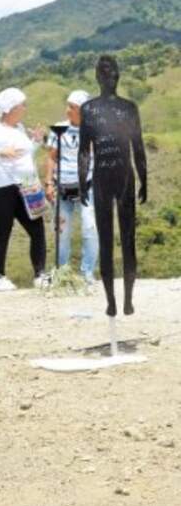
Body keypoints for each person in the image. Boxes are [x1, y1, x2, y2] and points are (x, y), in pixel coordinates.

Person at [79, 55, 147, 317]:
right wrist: (84, 181)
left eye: (114, 71)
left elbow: (138, 147)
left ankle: (128, 298)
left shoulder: (129, 108)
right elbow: (85, 151)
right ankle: (111, 300)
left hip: (125, 178)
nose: (111, 76)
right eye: (106, 72)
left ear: (119, 75)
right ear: (98, 77)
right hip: (102, 178)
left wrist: (144, 179)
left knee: (128, 239)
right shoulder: (89, 109)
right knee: (106, 241)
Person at [0, 87, 47, 291]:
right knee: (3, 231)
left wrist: (36, 141)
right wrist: (0, 153)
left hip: (28, 183)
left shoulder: (20, 128)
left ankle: (40, 274)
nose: (25, 108)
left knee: (37, 229)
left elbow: (24, 154)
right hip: (3, 186)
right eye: (22, 105)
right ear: (11, 108)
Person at [44, 90, 98, 284]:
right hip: (63, 188)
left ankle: (87, 273)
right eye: (68, 106)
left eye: (72, 107)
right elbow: (51, 157)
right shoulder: (59, 129)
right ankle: (61, 272)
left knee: (90, 228)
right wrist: (49, 183)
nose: (68, 111)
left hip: (87, 188)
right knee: (62, 232)